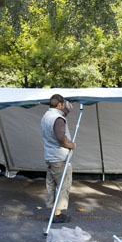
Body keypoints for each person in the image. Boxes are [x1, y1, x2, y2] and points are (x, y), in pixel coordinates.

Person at [41, 94, 75, 223]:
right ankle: (57, 214)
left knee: (51, 185)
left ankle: (52, 211)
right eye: (63, 105)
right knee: (62, 185)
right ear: (59, 105)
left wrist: (68, 107)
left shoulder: (46, 116)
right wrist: (72, 145)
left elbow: (59, 120)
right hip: (59, 158)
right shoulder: (58, 119)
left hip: (50, 157)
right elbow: (61, 137)